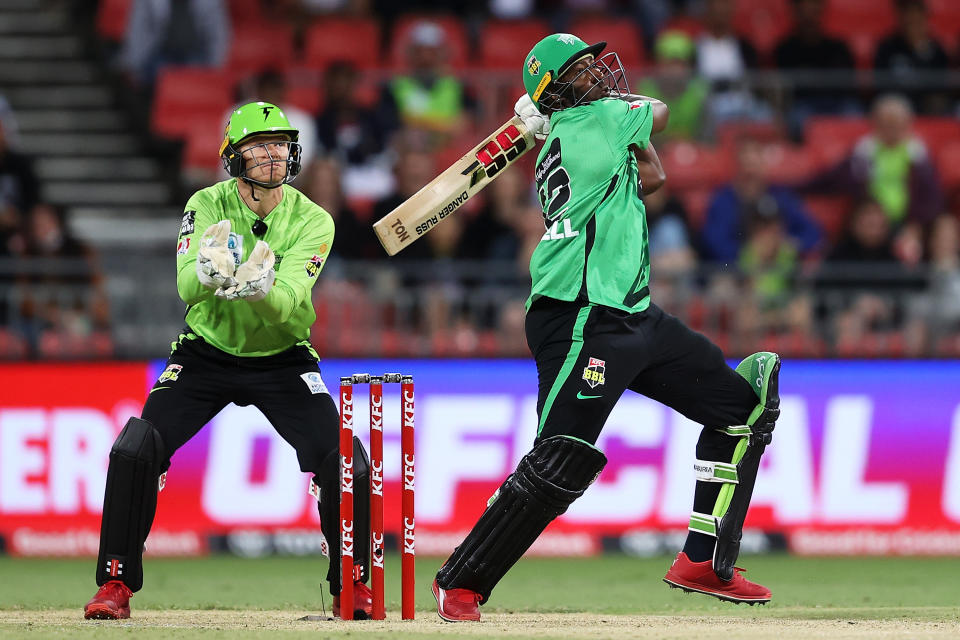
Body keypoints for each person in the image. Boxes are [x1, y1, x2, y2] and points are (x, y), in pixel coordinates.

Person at [432, 33, 782, 622]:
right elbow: (663, 114)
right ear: (559, 90)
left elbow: (653, 179)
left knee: (742, 408)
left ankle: (704, 562)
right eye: (583, 69)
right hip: (581, 316)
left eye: (595, 63)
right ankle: (460, 583)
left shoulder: (574, 134)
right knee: (558, 459)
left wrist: (555, 118)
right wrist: (594, 114)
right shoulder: (598, 118)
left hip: (636, 315)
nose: (599, 72)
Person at [82, 103, 374, 621]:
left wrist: (260, 289)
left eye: (280, 144)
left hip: (282, 357)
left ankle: (353, 586)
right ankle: (115, 584)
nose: (272, 155)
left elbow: (287, 304)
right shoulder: (206, 202)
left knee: (344, 457)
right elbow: (185, 287)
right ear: (232, 157)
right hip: (204, 353)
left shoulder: (314, 219)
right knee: (135, 448)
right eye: (259, 146)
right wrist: (210, 273)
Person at [701, 137, 822, 263]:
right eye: (746, 167)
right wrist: (749, 253)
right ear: (737, 168)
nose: (751, 173)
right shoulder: (722, 201)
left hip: (780, 269)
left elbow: (813, 233)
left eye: (755, 166)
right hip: (736, 272)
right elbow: (714, 242)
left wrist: (788, 246)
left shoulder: (781, 196)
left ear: (764, 167)